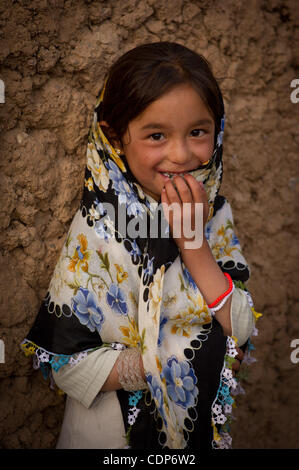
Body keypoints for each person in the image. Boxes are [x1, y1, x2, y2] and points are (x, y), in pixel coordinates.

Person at [21, 42, 259, 450]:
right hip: (107, 437)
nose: (181, 154)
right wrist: (165, 364)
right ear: (115, 136)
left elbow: (241, 328)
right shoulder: (99, 229)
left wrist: (194, 244)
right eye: (156, 135)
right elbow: (68, 367)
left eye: (198, 132)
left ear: (218, 131)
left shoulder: (214, 214)